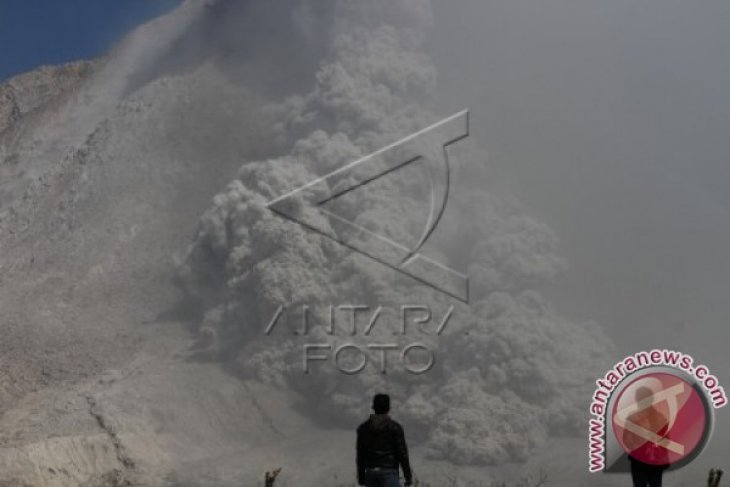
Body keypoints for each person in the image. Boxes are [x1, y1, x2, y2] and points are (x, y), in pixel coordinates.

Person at [357, 393, 413, 487]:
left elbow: (361, 455)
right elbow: (402, 453)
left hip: (370, 473)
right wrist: (408, 476)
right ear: (388, 408)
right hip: (389, 472)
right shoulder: (395, 428)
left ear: (373, 407)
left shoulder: (363, 428)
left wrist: (361, 477)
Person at [622, 387, 671, 487]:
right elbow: (666, 440)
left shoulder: (633, 418)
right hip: (653, 461)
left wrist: (639, 448)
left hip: (641, 461)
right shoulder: (660, 417)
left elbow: (627, 440)